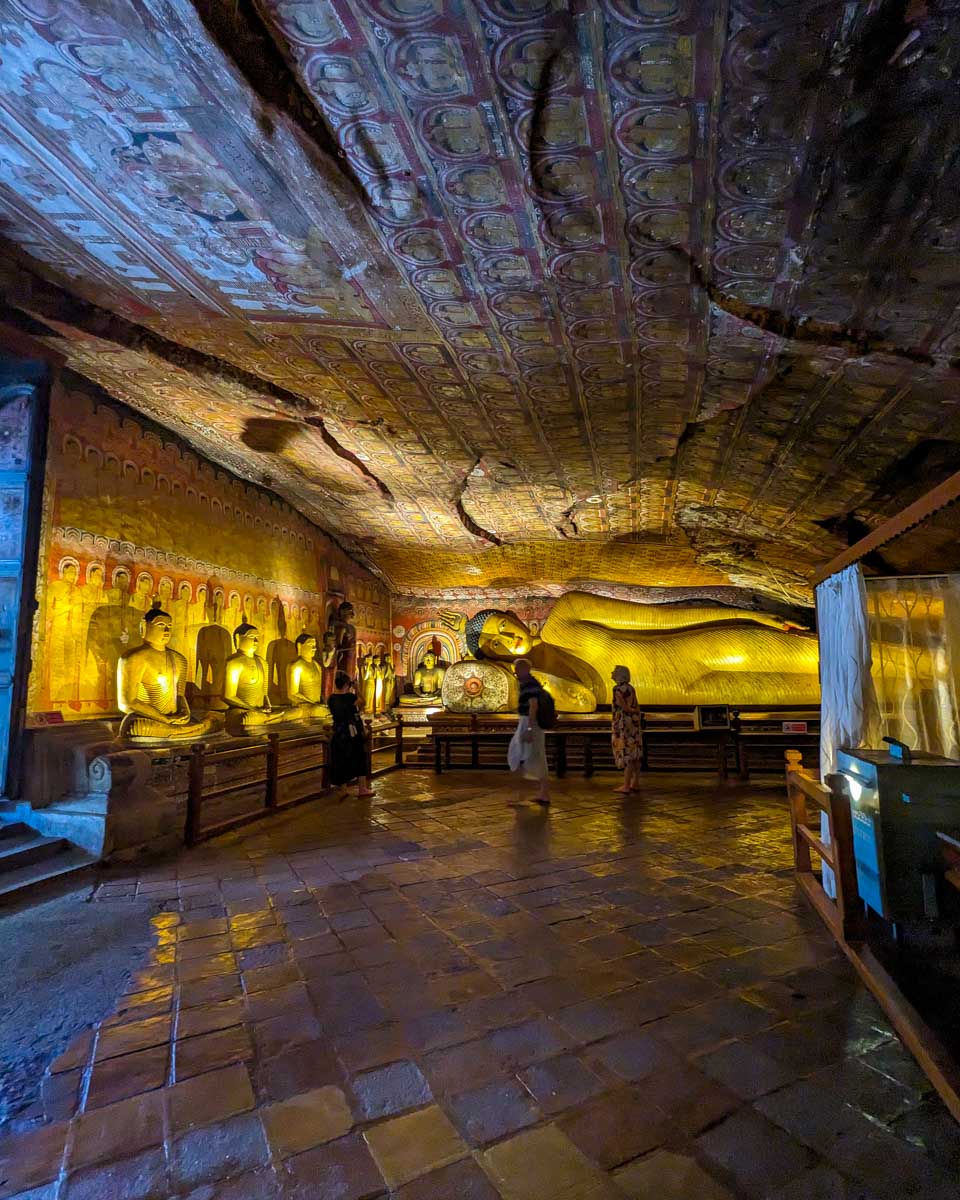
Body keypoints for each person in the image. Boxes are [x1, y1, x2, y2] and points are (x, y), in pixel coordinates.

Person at [508, 658, 551, 807]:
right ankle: (541, 792)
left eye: (517, 669)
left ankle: (539, 792)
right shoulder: (530, 684)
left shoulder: (530, 685)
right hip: (528, 721)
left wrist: (530, 729)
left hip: (530, 722)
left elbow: (533, 706)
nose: (515, 673)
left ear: (524, 670)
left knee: (525, 754)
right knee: (524, 753)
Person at [328, 671, 374, 798]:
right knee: (359, 758)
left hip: (338, 731)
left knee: (341, 759)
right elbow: (363, 702)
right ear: (348, 684)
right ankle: (362, 788)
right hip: (352, 732)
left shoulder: (331, 699)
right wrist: (358, 689)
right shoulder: (350, 698)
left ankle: (343, 789)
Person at [611, 665, 642, 794]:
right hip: (633, 723)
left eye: (614, 671)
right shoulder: (631, 688)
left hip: (623, 723)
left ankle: (626, 785)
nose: (611, 673)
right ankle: (635, 782)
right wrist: (635, 712)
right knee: (634, 754)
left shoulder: (617, 689)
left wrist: (628, 710)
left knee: (627, 754)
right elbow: (635, 705)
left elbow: (623, 706)